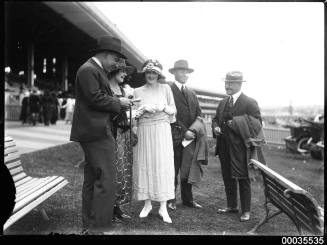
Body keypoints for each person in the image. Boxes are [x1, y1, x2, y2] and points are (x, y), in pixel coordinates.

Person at [70, 35, 133, 234]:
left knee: (93, 180)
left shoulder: (93, 69)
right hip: (96, 132)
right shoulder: (89, 70)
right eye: (115, 60)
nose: (116, 64)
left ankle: (90, 227)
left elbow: (97, 97)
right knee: (107, 181)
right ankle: (99, 228)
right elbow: (94, 98)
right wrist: (119, 103)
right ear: (106, 55)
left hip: (95, 130)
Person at [212, 71, 262, 222]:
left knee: (243, 178)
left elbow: (257, 124)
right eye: (226, 83)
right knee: (227, 177)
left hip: (241, 148)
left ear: (239, 84)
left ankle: (246, 210)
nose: (227, 86)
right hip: (224, 147)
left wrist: (236, 123)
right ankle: (232, 206)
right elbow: (215, 119)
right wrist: (215, 127)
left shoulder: (249, 102)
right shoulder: (223, 102)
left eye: (231, 83)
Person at [133, 59, 176, 223]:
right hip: (145, 130)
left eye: (154, 73)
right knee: (145, 163)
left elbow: (173, 111)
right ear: (145, 74)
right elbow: (134, 115)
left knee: (162, 164)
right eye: (148, 73)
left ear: (158, 75)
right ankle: (147, 203)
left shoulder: (166, 88)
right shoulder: (137, 91)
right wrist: (142, 109)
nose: (151, 75)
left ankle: (163, 207)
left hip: (161, 130)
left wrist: (164, 107)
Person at [167, 59, 203, 210]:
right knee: (173, 169)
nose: (185, 74)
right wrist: (184, 131)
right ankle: (170, 199)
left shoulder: (191, 93)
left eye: (186, 72)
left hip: (190, 139)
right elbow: (168, 113)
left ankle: (188, 199)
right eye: (181, 71)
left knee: (187, 169)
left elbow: (199, 114)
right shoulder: (168, 90)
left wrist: (193, 130)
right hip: (174, 137)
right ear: (174, 73)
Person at [106, 59, 134, 222]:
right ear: (114, 71)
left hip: (122, 135)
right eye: (122, 70)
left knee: (121, 172)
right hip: (110, 134)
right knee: (111, 171)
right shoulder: (107, 89)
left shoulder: (122, 90)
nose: (125, 74)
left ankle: (117, 207)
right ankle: (109, 208)